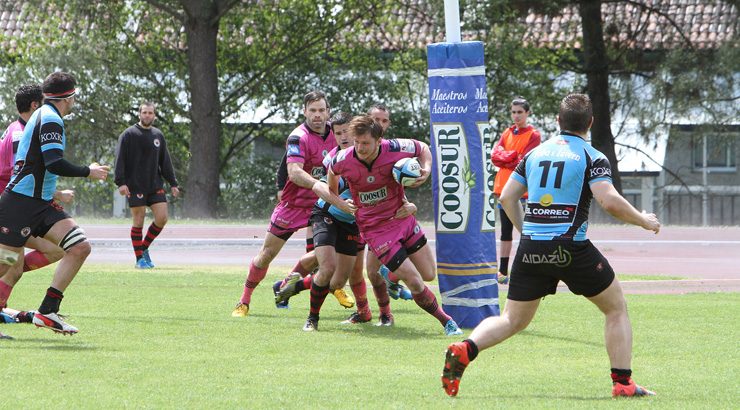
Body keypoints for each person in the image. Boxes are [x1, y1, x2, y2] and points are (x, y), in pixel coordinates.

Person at [441, 93, 660, 398]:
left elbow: (506, 198)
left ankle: (466, 348)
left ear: (558, 121)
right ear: (591, 123)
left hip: (531, 248)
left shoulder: (534, 155)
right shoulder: (592, 156)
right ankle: (623, 383)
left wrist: (528, 232)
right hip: (572, 248)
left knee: (512, 320)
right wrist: (643, 220)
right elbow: (608, 200)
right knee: (615, 308)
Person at [329, 115, 462, 336]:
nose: (360, 148)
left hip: (403, 218)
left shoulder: (396, 147)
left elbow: (423, 149)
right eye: (357, 142)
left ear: (379, 140)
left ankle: (389, 275)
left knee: (429, 274)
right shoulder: (342, 159)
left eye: (366, 143)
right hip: (376, 230)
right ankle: (447, 322)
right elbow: (330, 179)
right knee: (415, 281)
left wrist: (426, 170)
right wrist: (340, 202)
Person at [0, 71, 110, 335]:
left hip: (40, 204)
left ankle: (48, 311)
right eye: (74, 96)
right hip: (20, 205)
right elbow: (54, 162)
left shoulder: (43, 116)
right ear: (68, 97)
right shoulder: (49, 118)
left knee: (79, 246)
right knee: (6, 264)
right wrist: (88, 171)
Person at [231, 90, 337, 317]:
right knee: (267, 254)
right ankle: (244, 300)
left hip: (322, 205)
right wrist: (318, 185)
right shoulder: (298, 137)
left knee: (325, 255)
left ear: (328, 112)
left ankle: (287, 287)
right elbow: (294, 172)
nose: (317, 115)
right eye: (313, 110)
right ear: (304, 111)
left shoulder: (337, 133)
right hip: (294, 205)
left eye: (321, 110)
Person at [0, 84, 69, 334]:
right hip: (13, 209)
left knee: (55, 250)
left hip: (21, 208)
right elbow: (21, 176)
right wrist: (56, 195)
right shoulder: (21, 133)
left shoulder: (22, 128)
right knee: (10, 265)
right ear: (35, 105)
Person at [115, 102, 179, 269]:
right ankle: (139, 260)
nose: (147, 115)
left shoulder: (158, 135)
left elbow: (165, 162)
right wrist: (120, 182)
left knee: (162, 218)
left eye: (150, 113)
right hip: (135, 185)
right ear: (139, 114)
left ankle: (143, 248)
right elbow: (119, 159)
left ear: (154, 115)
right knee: (139, 220)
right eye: (144, 112)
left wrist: (173, 183)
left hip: (155, 184)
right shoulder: (128, 134)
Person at [490, 97, 540, 284]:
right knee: (505, 232)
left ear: (527, 113)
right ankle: (503, 272)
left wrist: (507, 158)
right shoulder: (507, 132)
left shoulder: (534, 135)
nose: (516, 116)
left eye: (520, 112)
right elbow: (495, 156)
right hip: (503, 189)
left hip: (522, 191)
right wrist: (509, 157)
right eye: (514, 112)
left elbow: (523, 161)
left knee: (527, 230)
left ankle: (532, 268)